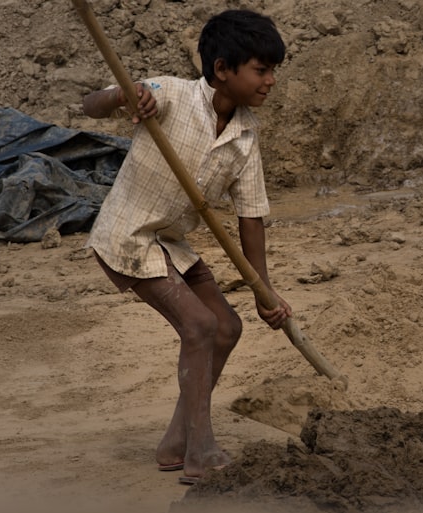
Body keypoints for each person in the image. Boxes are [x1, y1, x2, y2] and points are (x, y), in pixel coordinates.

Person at [81, 9, 291, 485]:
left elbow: (251, 217)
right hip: (127, 236)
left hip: (169, 243)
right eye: (261, 70)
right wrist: (124, 95)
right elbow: (91, 103)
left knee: (226, 327)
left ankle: (176, 442)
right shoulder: (170, 93)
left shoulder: (245, 135)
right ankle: (202, 452)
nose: (271, 82)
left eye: (273, 71)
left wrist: (265, 293)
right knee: (198, 325)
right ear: (222, 70)